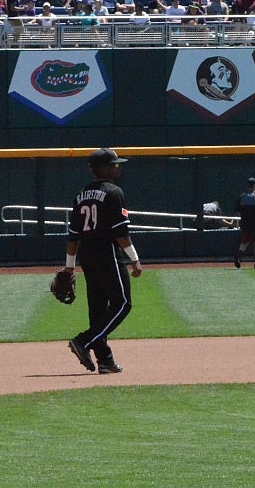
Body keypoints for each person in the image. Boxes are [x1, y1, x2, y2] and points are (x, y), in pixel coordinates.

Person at [64, 148, 142, 375]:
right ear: (103, 169)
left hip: (87, 255)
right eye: (114, 165)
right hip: (107, 252)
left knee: (97, 309)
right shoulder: (114, 192)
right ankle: (84, 341)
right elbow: (121, 233)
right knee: (123, 304)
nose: (118, 168)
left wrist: (69, 266)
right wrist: (135, 260)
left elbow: (73, 235)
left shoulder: (81, 195)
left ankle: (105, 361)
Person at [234, 177, 255, 269]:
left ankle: (238, 255)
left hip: (244, 223)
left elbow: (237, 211)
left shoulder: (242, 197)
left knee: (245, 240)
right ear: (254, 185)